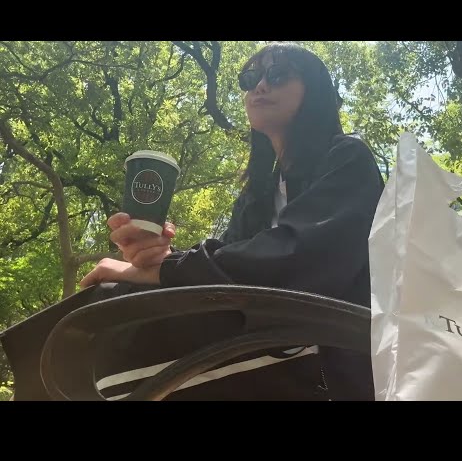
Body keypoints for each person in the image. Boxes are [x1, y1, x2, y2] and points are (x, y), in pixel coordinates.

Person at [2, 42, 385, 401]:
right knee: (98, 304)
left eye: (278, 75)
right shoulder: (259, 194)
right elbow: (230, 264)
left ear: (315, 89)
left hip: (326, 356)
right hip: (264, 338)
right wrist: (156, 258)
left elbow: (296, 260)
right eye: (250, 78)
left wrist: (166, 270)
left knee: (110, 310)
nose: (260, 86)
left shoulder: (347, 158)